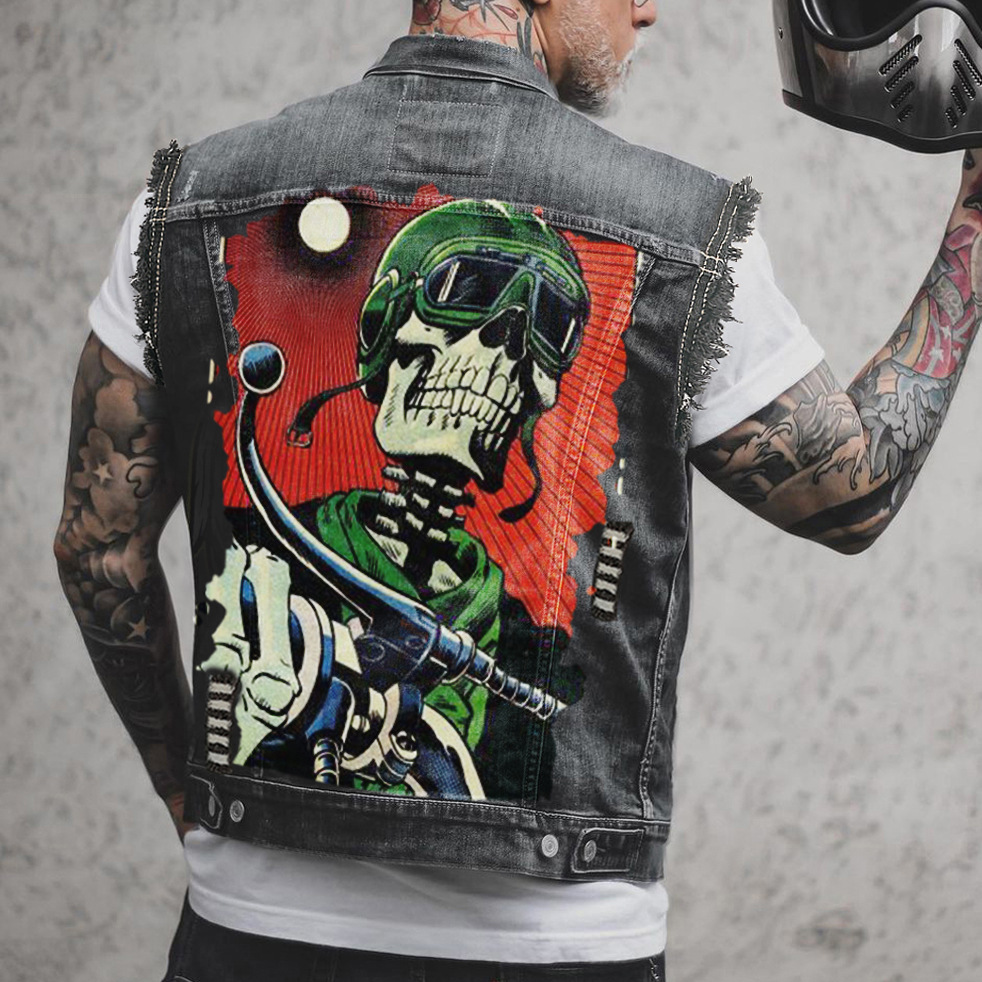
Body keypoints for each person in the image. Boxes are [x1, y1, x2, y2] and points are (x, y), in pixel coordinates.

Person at [51, 2, 982, 980]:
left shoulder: (187, 204)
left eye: (540, 336)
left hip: (256, 924)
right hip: (560, 945)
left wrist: (191, 799)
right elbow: (853, 490)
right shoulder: (683, 230)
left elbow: (96, 550)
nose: (647, 8)